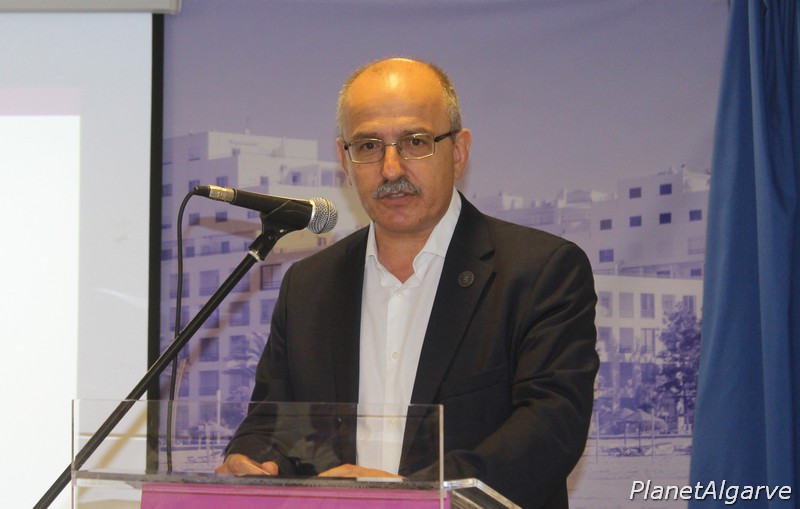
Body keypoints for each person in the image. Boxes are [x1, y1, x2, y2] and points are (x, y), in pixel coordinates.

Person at [217, 57, 599, 509]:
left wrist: (408, 497)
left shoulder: (540, 271)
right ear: (344, 160)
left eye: (415, 142)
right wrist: (250, 458)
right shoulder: (308, 286)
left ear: (458, 151)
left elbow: (551, 429)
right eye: (369, 145)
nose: (391, 168)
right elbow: (276, 423)